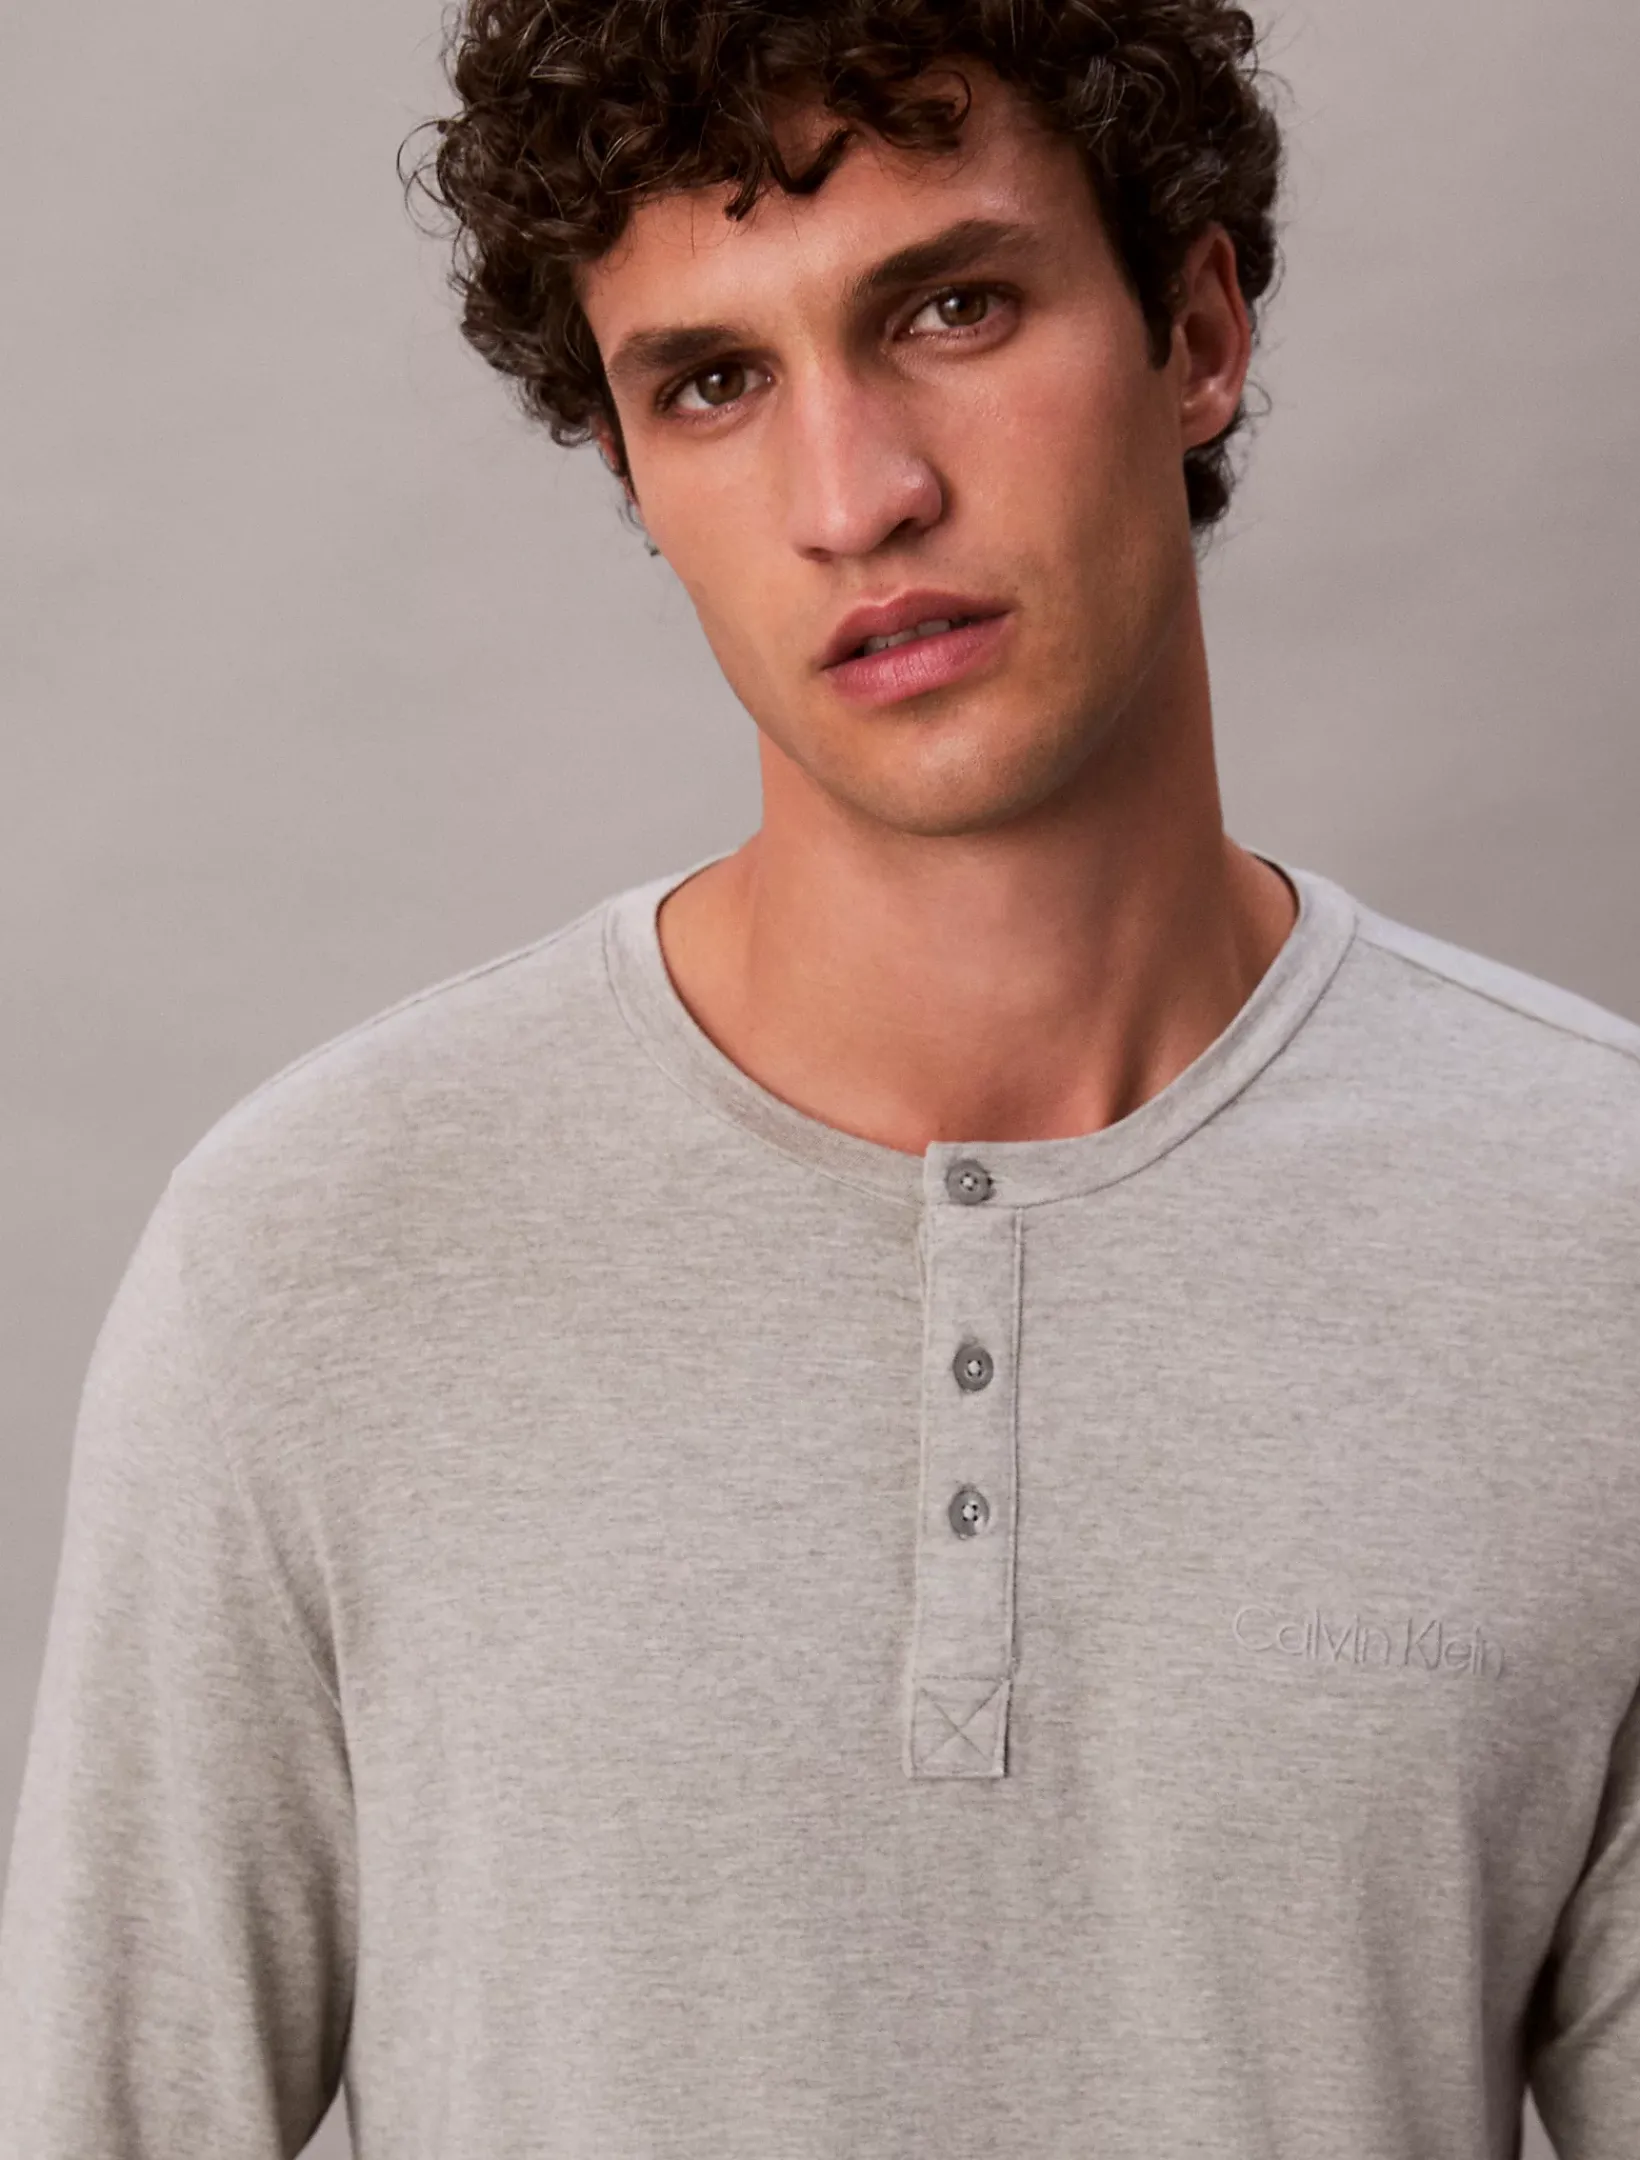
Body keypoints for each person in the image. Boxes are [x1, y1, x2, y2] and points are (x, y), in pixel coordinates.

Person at [1, 2, 1635, 2154]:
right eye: (712, 383)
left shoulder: (1593, 1238)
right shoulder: (315, 1259)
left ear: (1197, 332)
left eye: (951, 307)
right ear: (633, 476)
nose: (856, 497)